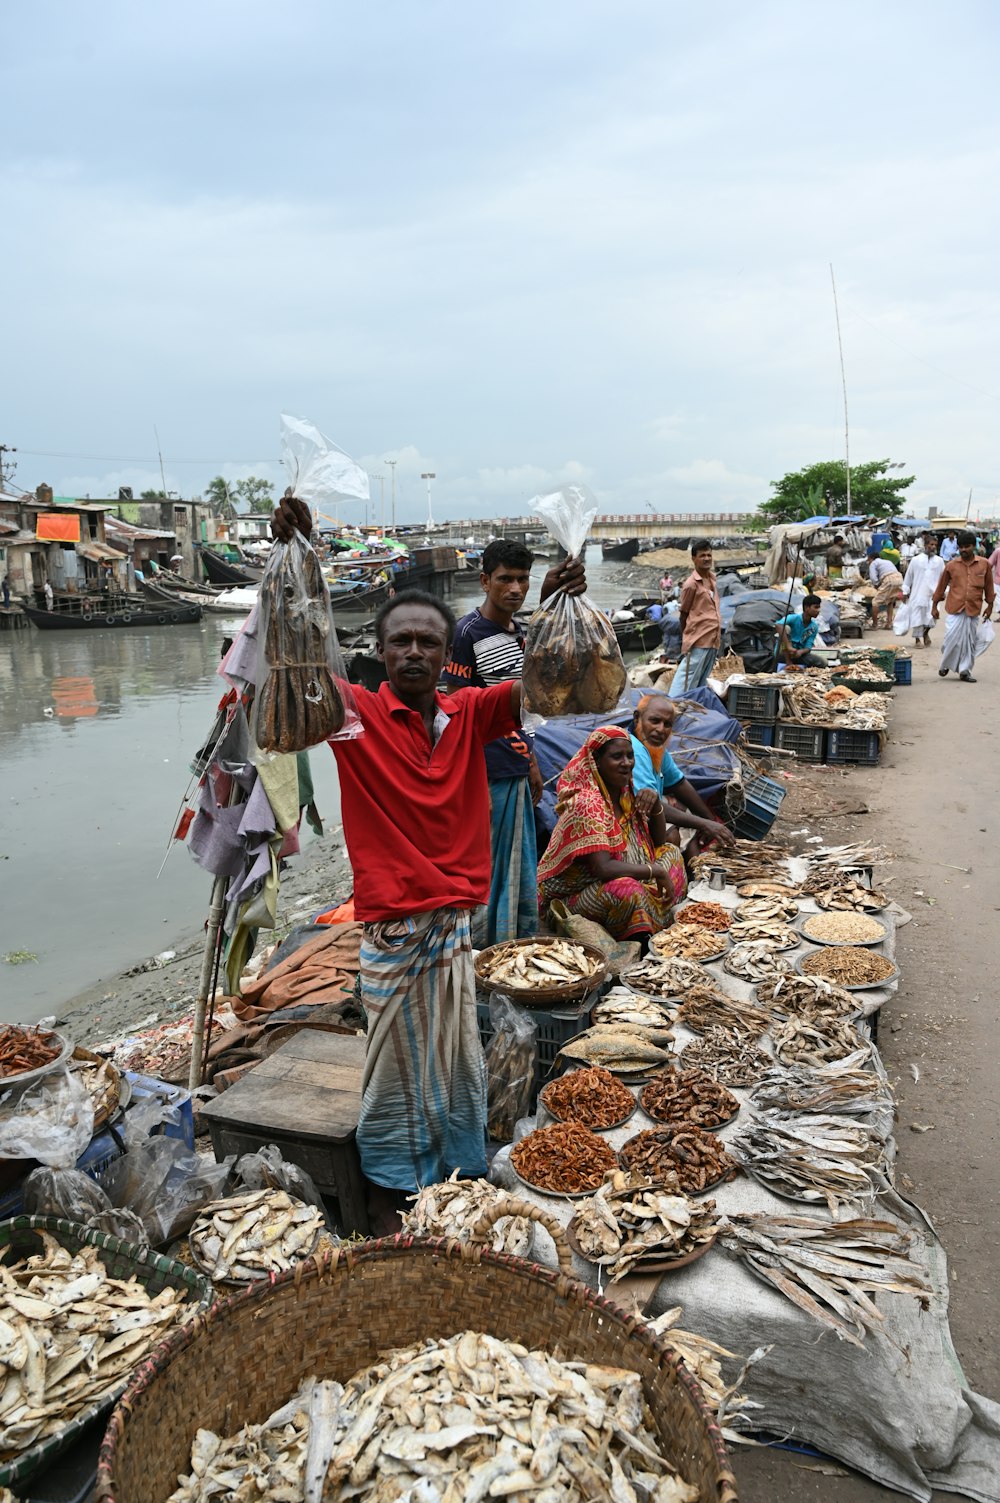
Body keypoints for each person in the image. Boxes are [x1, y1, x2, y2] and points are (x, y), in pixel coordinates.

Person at [271, 498, 528, 1232]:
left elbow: (563, 685)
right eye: (400, 642)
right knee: (393, 1071)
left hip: (452, 931)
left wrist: (559, 604)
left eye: (426, 642)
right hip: (391, 934)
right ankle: (388, 1188)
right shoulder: (352, 717)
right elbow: (295, 673)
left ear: (444, 654)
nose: (413, 652)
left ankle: (456, 1173)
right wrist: (299, 562)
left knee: (456, 1064)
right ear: (382, 653)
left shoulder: (473, 713)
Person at [442, 539, 585, 946]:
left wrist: (532, 760)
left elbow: (526, 708)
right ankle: (484, 948)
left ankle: (511, 944)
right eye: (505, 579)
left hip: (517, 765)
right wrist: (471, 777)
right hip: (487, 771)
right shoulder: (467, 633)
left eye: (523, 579)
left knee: (517, 862)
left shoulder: (520, 633)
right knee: (489, 867)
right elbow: (458, 711)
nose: (515, 589)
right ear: (485, 580)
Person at [537, 727, 686, 944]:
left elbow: (658, 843)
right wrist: (655, 872)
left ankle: (649, 917)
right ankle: (640, 938)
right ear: (596, 760)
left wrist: (654, 805)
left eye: (630, 756)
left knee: (671, 853)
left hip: (618, 875)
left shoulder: (626, 793)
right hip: (575, 895)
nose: (626, 763)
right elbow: (602, 868)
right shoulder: (588, 802)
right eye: (617, 757)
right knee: (627, 890)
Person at [629, 694, 735, 854]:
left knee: (685, 810)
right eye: (655, 721)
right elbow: (651, 806)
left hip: (650, 809)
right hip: (629, 816)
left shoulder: (655, 748)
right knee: (672, 836)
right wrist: (705, 824)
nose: (660, 729)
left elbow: (678, 783)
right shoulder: (634, 750)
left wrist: (710, 821)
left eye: (667, 724)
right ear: (638, 718)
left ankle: (698, 870)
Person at [932, 530, 995, 682]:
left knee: (969, 642)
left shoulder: (984, 564)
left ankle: (965, 671)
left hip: (973, 608)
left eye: (967, 546)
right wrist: (934, 606)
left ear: (974, 546)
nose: (963, 550)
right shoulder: (951, 565)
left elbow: (989, 587)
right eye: (961, 547)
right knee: (950, 639)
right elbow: (940, 588)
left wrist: (990, 606)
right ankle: (946, 663)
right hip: (955, 608)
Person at [669, 539, 721, 695]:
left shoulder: (712, 579)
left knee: (700, 681)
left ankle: (692, 710)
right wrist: (688, 637)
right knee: (686, 680)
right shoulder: (691, 584)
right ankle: (674, 706)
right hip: (698, 639)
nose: (706, 558)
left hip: (713, 639)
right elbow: (683, 614)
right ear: (694, 558)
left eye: (709, 555)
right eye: (702, 555)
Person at [900, 534, 944, 648]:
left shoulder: (939, 561)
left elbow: (943, 578)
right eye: (931, 544)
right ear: (925, 545)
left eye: (935, 545)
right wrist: (905, 591)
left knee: (932, 617)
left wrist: (943, 591)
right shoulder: (916, 560)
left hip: (932, 595)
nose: (933, 547)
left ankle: (925, 633)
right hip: (917, 593)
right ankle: (917, 640)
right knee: (917, 617)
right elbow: (908, 577)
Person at [777, 594, 825, 666]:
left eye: (819, 607)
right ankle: (788, 662)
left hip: (798, 655)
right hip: (783, 654)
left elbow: (808, 646)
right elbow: (778, 625)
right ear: (806, 608)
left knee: (822, 662)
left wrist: (800, 652)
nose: (818, 610)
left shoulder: (814, 627)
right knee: (785, 628)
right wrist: (788, 646)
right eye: (816, 607)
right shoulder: (793, 618)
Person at [868, 554, 903, 630]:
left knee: (875, 602)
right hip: (899, 578)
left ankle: (874, 625)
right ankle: (889, 624)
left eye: (868, 560)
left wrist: (876, 585)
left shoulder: (874, 563)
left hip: (889, 579)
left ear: (872, 558)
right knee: (890, 601)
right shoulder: (887, 561)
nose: (868, 562)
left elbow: (873, 578)